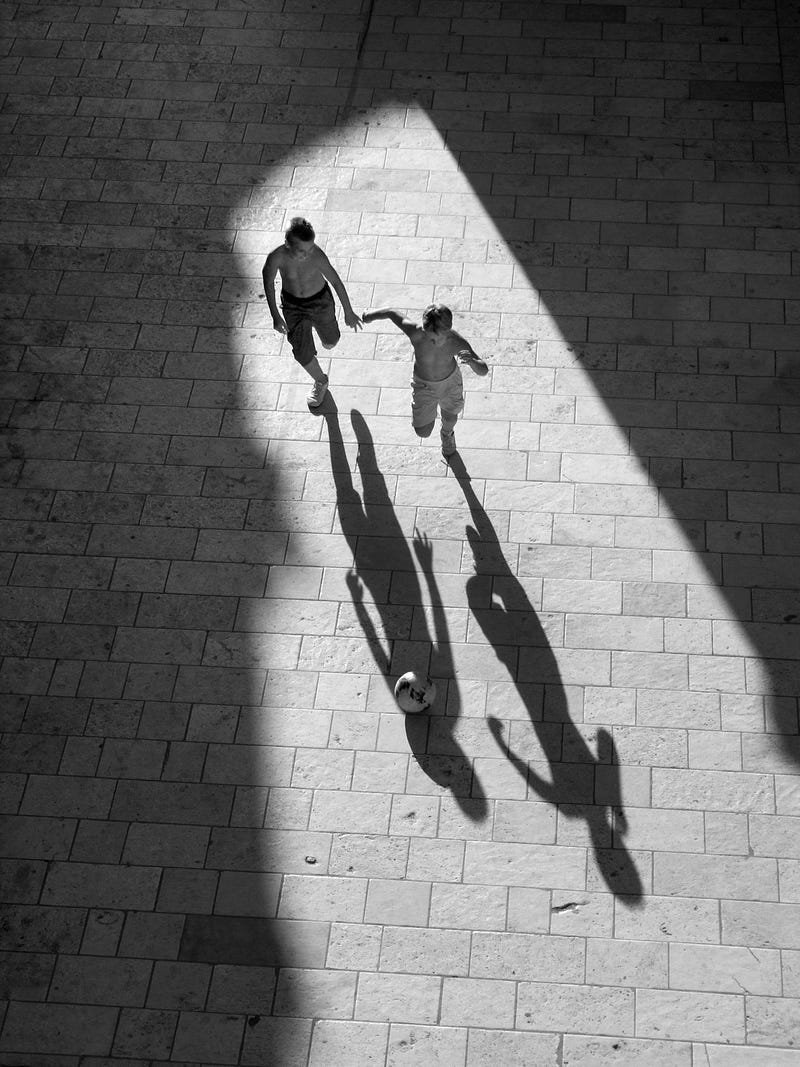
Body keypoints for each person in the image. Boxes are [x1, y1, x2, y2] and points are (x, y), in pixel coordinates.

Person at [361, 303, 488, 456]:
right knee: (423, 432)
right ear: (424, 329)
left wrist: (472, 362)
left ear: (448, 330)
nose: (435, 343)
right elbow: (392, 312)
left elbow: (483, 370)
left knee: (450, 417)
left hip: (450, 384)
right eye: (431, 338)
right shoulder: (416, 334)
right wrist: (370, 315)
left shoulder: (456, 342)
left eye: (440, 338)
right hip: (424, 385)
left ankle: (447, 434)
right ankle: (430, 411)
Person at [262, 217, 362, 407]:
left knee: (331, 340)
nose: (307, 255)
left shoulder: (316, 255)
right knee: (301, 351)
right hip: (293, 306)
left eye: (310, 249)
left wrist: (348, 312)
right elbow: (268, 283)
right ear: (287, 244)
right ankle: (320, 380)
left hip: (320, 302)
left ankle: (327, 337)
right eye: (302, 250)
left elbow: (336, 282)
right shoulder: (276, 257)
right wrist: (275, 315)